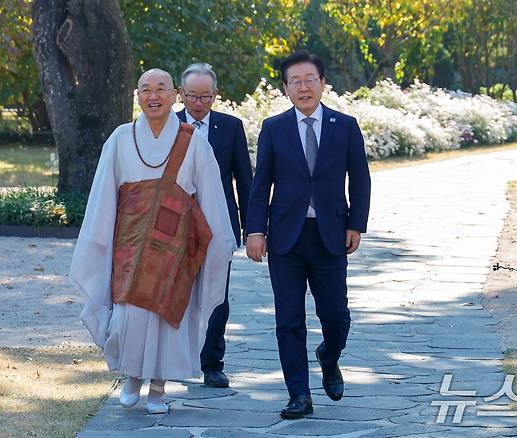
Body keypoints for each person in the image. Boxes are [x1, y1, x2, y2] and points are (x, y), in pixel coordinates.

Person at [69, 68, 236, 415]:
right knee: (129, 314)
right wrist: (101, 237)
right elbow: (103, 194)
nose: (153, 96)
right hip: (130, 244)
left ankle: (158, 388)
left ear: (174, 95)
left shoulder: (193, 141)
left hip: (174, 248)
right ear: (138, 96)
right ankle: (132, 377)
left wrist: (218, 242)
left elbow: (211, 197)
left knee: (167, 315)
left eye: (161, 88)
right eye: (146, 89)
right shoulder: (119, 137)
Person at [245, 50, 371, 419]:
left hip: (331, 234)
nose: (303, 87)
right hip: (285, 237)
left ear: (322, 83)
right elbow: (260, 183)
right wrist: (255, 230)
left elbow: (360, 179)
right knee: (289, 319)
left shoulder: (344, 125)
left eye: (309, 79)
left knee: (336, 316)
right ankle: (299, 394)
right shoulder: (274, 127)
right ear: (285, 88)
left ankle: (329, 357)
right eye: (295, 81)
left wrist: (356, 224)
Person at [176, 63, 253, 388]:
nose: (198, 103)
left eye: (205, 96)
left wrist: (252, 228)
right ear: (181, 94)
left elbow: (244, 180)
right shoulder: (167, 124)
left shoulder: (230, 126)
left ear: (215, 95)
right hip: (174, 225)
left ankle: (212, 363)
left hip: (219, 225)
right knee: (172, 294)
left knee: (217, 295)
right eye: (192, 96)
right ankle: (172, 360)